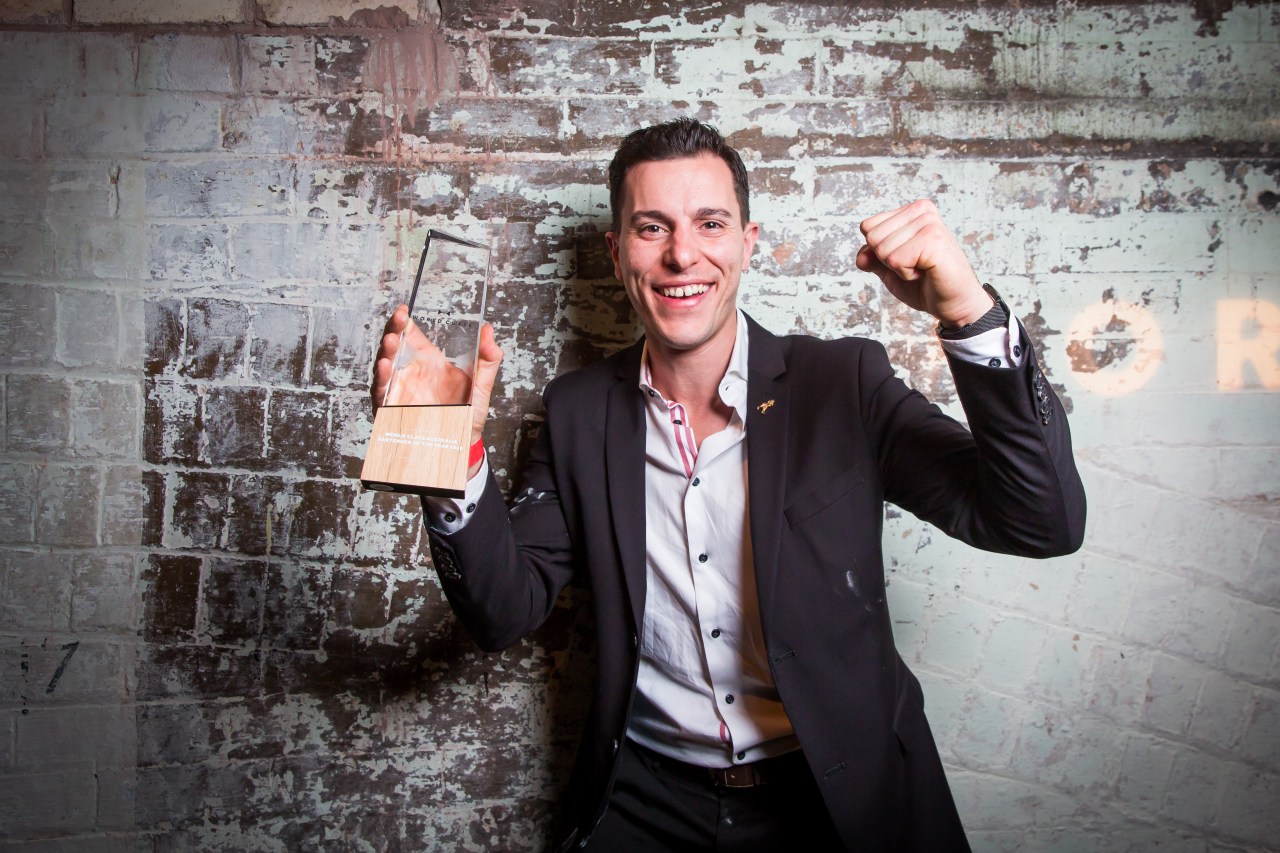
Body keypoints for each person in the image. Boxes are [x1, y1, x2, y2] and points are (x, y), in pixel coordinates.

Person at [371, 119, 1085, 852]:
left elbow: (1042, 521)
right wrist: (444, 450)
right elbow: (502, 611)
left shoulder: (844, 382)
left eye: (710, 224)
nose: (683, 254)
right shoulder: (578, 411)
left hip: (836, 800)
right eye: (652, 227)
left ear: (747, 243)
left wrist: (968, 313)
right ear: (617, 253)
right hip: (646, 803)